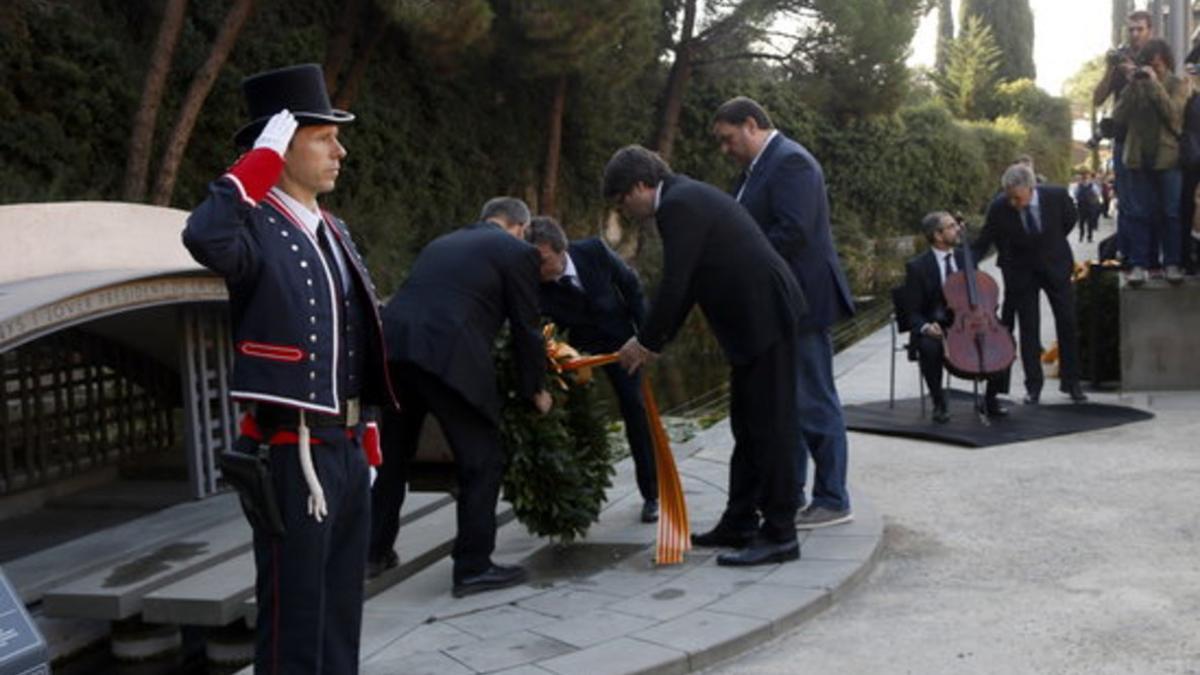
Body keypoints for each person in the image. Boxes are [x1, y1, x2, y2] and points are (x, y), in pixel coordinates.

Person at [182, 63, 398, 673]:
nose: (340, 149)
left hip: (349, 448)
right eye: (323, 136)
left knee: (339, 618)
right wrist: (256, 164)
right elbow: (204, 237)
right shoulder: (251, 226)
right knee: (294, 629)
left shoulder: (334, 228)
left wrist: (370, 435)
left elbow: (355, 335)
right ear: (280, 141)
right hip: (292, 452)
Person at [605, 145, 808, 567]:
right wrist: (652, 341)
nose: (627, 210)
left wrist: (647, 342)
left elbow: (676, 281)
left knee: (770, 427)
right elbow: (690, 283)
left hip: (765, 316)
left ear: (642, 185)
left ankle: (781, 534)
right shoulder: (683, 199)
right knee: (748, 425)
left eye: (624, 200)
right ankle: (739, 522)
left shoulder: (678, 205)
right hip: (754, 321)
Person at [370, 197, 552, 597]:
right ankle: (473, 566)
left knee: (394, 457)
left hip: (393, 349)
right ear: (519, 227)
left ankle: (374, 553)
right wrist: (534, 388)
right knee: (481, 461)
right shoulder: (517, 251)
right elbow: (527, 326)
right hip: (448, 354)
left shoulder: (443, 242)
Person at [711, 96, 854, 529]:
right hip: (782, 305)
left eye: (728, 139)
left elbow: (791, 232)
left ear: (751, 125)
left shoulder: (791, 163)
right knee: (788, 405)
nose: (725, 149)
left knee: (814, 401)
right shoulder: (757, 170)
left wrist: (740, 261)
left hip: (804, 303)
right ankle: (789, 495)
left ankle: (832, 497)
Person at [525, 216, 659, 523]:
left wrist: (646, 339)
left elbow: (632, 288)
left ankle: (651, 494)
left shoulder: (595, 252)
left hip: (620, 344)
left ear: (561, 251)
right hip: (572, 353)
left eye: (542, 260)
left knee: (635, 409)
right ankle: (572, 499)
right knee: (564, 416)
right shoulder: (532, 283)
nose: (537, 268)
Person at [973, 163, 1086, 405]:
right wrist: (966, 263)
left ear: (1031, 188)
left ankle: (1072, 382)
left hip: (1056, 267)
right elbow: (985, 239)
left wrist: (1051, 245)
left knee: (1067, 322)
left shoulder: (1056, 197)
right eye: (1009, 198)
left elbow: (1069, 221)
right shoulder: (999, 206)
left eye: (1018, 198)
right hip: (1021, 272)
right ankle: (1033, 387)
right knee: (1029, 329)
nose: (1013, 203)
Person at [901, 212, 1008, 423]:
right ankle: (939, 403)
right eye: (951, 226)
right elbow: (910, 312)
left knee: (1005, 338)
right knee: (929, 346)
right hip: (936, 325)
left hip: (968, 320)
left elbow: (980, 293)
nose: (957, 229)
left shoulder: (964, 258)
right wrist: (924, 327)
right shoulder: (917, 267)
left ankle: (990, 398)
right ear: (938, 235)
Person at [1113, 37, 1191, 285]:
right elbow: (1118, 118)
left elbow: (1174, 116)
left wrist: (1155, 85)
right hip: (1137, 158)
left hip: (1168, 159)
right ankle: (1139, 264)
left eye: (1157, 65)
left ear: (1166, 62)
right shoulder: (1136, 85)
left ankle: (1172, 263)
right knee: (1138, 214)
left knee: (1170, 213)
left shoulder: (1178, 84)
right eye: (1149, 65)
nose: (1152, 70)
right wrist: (1131, 87)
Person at [1095, 9, 1155, 268]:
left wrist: (1142, 73)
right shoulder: (1119, 62)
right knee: (1128, 201)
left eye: (1139, 29)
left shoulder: (1158, 56)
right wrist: (1112, 70)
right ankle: (1129, 256)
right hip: (1123, 138)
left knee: (1154, 201)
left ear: (1150, 30)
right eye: (1131, 29)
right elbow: (1097, 98)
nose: (1134, 34)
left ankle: (1151, 257)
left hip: (1155, 140)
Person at [1074, 171, 1102, 243]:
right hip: (1088, 206)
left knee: (1084, 222)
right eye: (1085, 178)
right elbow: (1098, 193)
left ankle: (1083, 236)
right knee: (1085, 223)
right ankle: (1087, 237)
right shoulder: (1092, 186)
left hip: (1084, 206)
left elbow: (1075, 195)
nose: (1085, 180)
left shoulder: (1079, 186)